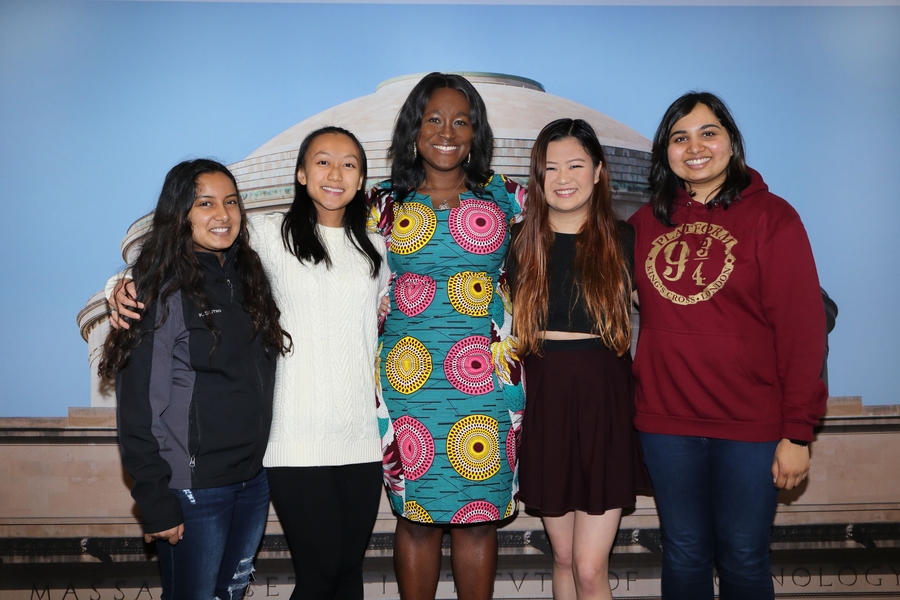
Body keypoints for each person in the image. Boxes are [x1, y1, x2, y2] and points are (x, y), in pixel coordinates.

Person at [108, 127, 389, 599]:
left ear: (361, 180)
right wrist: (125, 284)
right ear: (300, 173)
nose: (335, 173)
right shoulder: (268, 233)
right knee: (318, 575)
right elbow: (181, 243)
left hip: (360, 439)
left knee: (347, 573)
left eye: (349, 164)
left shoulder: (378, 251)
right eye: (322, 161)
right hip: (293, 441)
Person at [628, 92, 828, 599]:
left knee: (743, 556)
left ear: (731, 143)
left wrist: (798, 433)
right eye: (679, 137)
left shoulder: (773, 217)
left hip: (751, 426)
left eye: (708, 132)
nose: (694, 147)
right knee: (683, 552)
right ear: (665, 152)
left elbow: (803, 331)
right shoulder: (643, 225)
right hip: (666, 421)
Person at [99, 159, 291, 599]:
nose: (222, 215)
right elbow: (137, 408)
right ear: (180, 213)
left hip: (251, 483)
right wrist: (154, 498)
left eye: (231, 202)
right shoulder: (158, 291)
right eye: (205, 203)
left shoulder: (248, 276)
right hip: (193, 489)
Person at [367, 72, 525, 599]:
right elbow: (307, 243)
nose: (447, 131)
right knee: (417, 517)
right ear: (414, 128)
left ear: (476, 133)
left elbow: (575, 235)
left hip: (488, 379)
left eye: (462, 121)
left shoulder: (508, 196)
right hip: (407, 377)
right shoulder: (381, 202)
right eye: (434, 118)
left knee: (478, 517)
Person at [509, 118, 649, 600]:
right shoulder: (517, 242)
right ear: (538, 177)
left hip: (603, 401)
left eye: (575, 165)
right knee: (564, 559)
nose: (563, 177)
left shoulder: (625, 239)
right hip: (543, 399)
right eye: (551, 168)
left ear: (598, 172)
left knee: (590, 568)